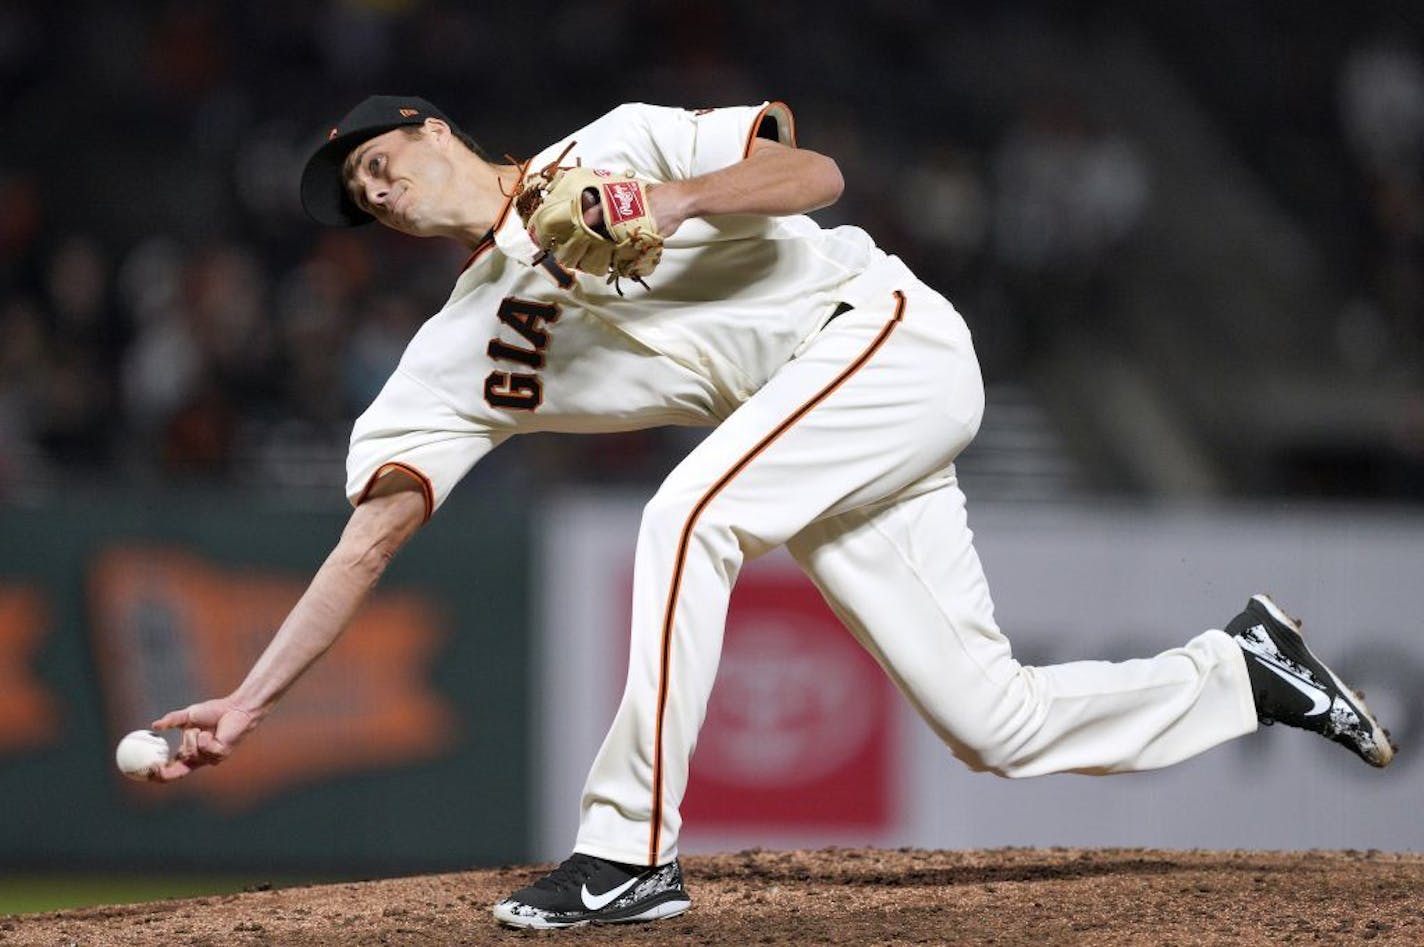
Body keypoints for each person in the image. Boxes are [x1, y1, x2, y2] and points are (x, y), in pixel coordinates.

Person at [149, 94, 1395, 930]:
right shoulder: (455, 351)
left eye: (377, 164)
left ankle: (630, 849)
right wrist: (250, 699)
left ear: (431, 128)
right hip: (829, 436)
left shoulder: (617, 144)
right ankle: (1241, 670)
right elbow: (369, 536)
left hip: (880, 336)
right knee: (990, 722)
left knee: (684, 514)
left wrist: (681, 201)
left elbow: (815, 171)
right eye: (362, 198)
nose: (379, 194)